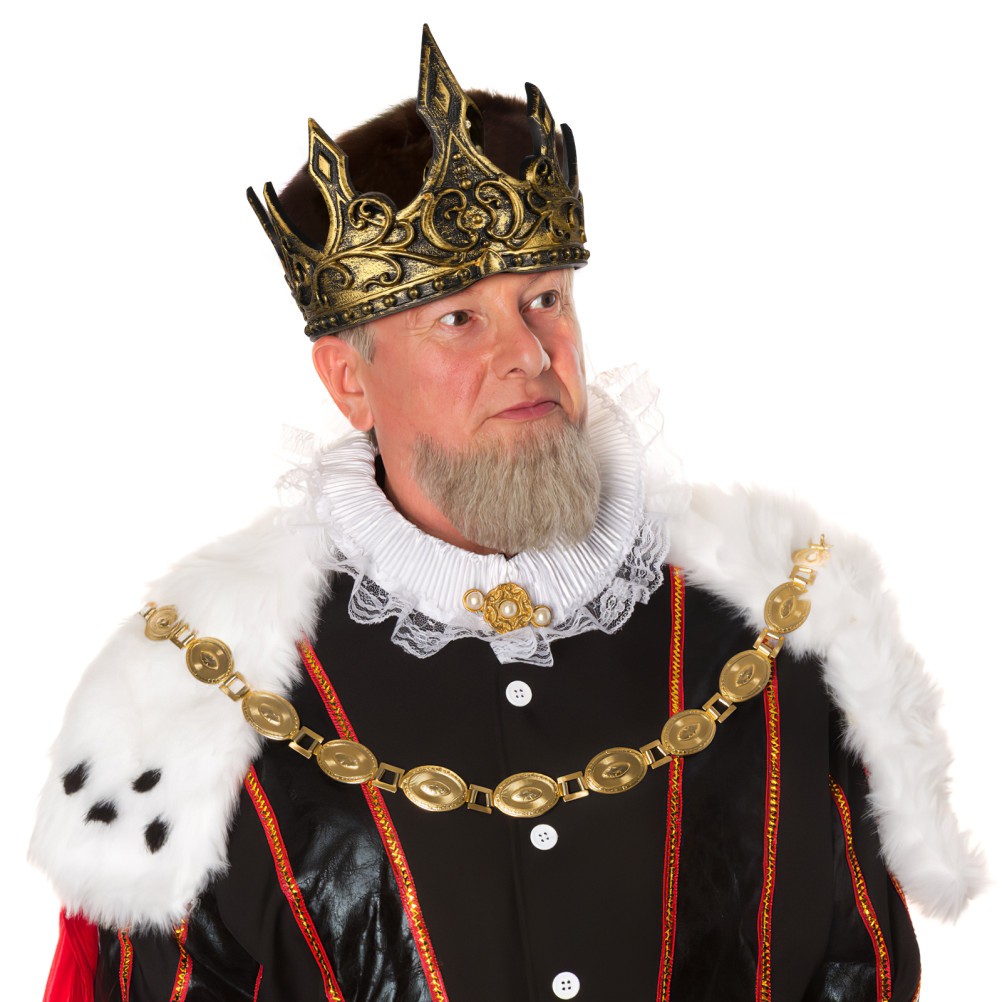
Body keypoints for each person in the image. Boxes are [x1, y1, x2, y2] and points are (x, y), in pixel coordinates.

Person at [31, 25, 982, 1002]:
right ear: (349, 380)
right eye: (459, 319)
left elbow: (856, 969)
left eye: (544, 300)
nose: (527, 352)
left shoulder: (781, 628)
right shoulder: (193, 695)